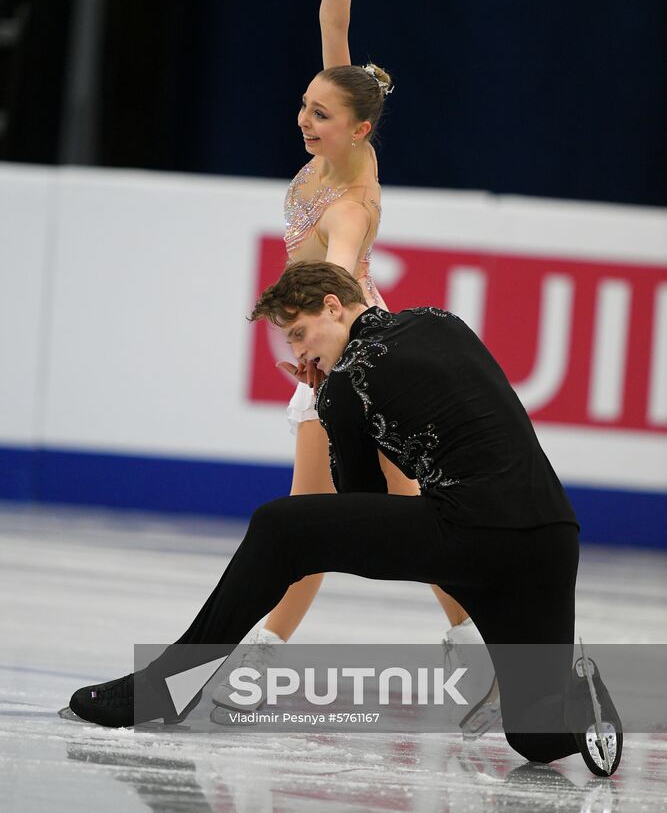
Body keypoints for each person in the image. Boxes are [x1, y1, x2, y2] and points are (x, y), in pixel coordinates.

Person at [67, 262, 623, 778]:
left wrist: (332, 403)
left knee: (279, 527)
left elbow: (363, 500)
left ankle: (164, 688)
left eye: (301, 334)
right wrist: (337, 396)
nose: (303, 353)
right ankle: (581, 693)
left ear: (334, 306)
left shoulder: (347, 381)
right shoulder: (439, 319)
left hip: (472, 533)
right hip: (550, 537)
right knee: (535, 732)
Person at [227, 0, 480, 676]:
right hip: (347, 341)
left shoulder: (349, 199)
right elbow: (332, 21)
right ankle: (481, 641)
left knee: (313, 513)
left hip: (348, 344)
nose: (304, 119)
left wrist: (321, 346)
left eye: (320, 113)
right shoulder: (344, 134)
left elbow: (337, 275)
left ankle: (258, 657)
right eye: (304, 105)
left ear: (358, 127)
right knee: (399, 505)